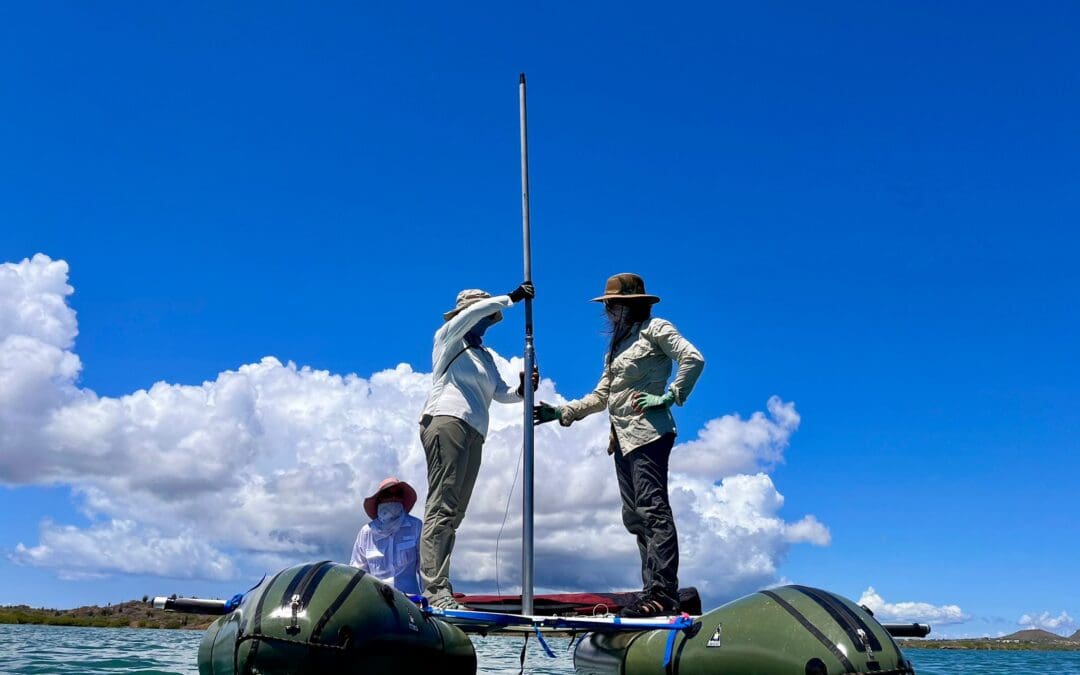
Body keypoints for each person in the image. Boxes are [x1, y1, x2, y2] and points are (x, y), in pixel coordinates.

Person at [534, 273, 704, 618]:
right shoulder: (616, 347)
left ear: (629, 305)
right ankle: (651, 590)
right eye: (607, 306)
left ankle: (663, 593)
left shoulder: (656, 330)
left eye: (612, 305)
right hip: (623, 439)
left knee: (654, 509)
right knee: (635, 516)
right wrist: (562, 411)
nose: (608, 311)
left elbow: (693, 358)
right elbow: (602, 395)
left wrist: (669, 396)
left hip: (650, 434)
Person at [419, 281, 537, 609]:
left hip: (475, 428)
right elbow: (474, 312)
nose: (488, 320)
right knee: (442, 505)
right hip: (447, 419)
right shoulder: (447, 337)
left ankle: (441, 586)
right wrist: (512, 298)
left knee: (455, 509)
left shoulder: (484, 356)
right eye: (485, 314)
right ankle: (435, 590)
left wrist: (523, 390)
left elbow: (500, 393)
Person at [350, 477, 423, 594]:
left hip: (411, 602)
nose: (393, 497)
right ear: (379, 500)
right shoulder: (366, 532)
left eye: (398, 494)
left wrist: (428, 602)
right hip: (377, 602)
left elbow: (425, 569)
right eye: (387, 494)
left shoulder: (416, 526)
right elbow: (357, 572)